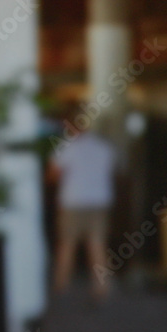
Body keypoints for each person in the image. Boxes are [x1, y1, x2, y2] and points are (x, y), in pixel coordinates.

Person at [48, 101, 118, 305]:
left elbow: (52, 175)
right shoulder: (103, 147)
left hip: (73, 203)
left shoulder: (65, 147)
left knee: (67, 246)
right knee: (97, 246)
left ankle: (61, 285)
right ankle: (101, 288)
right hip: (99, 202)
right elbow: (111, 170)